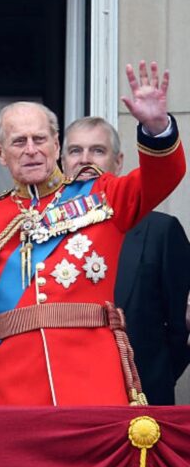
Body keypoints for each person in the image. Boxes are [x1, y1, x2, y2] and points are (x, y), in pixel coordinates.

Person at [0, 61, 185, 406]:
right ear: (0, 153)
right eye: (18, 141)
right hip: (15, 386)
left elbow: (162, 178)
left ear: (56, 144)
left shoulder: (102, 194)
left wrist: (156, 127)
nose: (31, 149)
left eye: (40, 139)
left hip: (92, 380)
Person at [62, 115, 190, 405]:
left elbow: (180, 329)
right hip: (66, 397)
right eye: (75, 151)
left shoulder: (160, 231)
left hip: (140, 399)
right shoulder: (44, 234)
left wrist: (154, 376)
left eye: (97, 150)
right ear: (62, 163)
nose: (85, 160)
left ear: (118, 162)